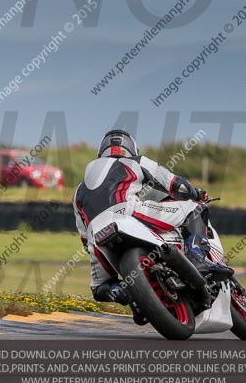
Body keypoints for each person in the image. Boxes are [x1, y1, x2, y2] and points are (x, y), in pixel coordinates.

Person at [72, 129, 233, 307]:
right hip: (129, 211)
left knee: (99, 288)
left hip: (97, 235)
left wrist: (92, 246)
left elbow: (84, 235)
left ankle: (130, 296)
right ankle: (197, 259)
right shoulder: (136, 161)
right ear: (132, 148)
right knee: (194, 209)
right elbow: (176, 184)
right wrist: (195, 193)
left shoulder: (78, 191)